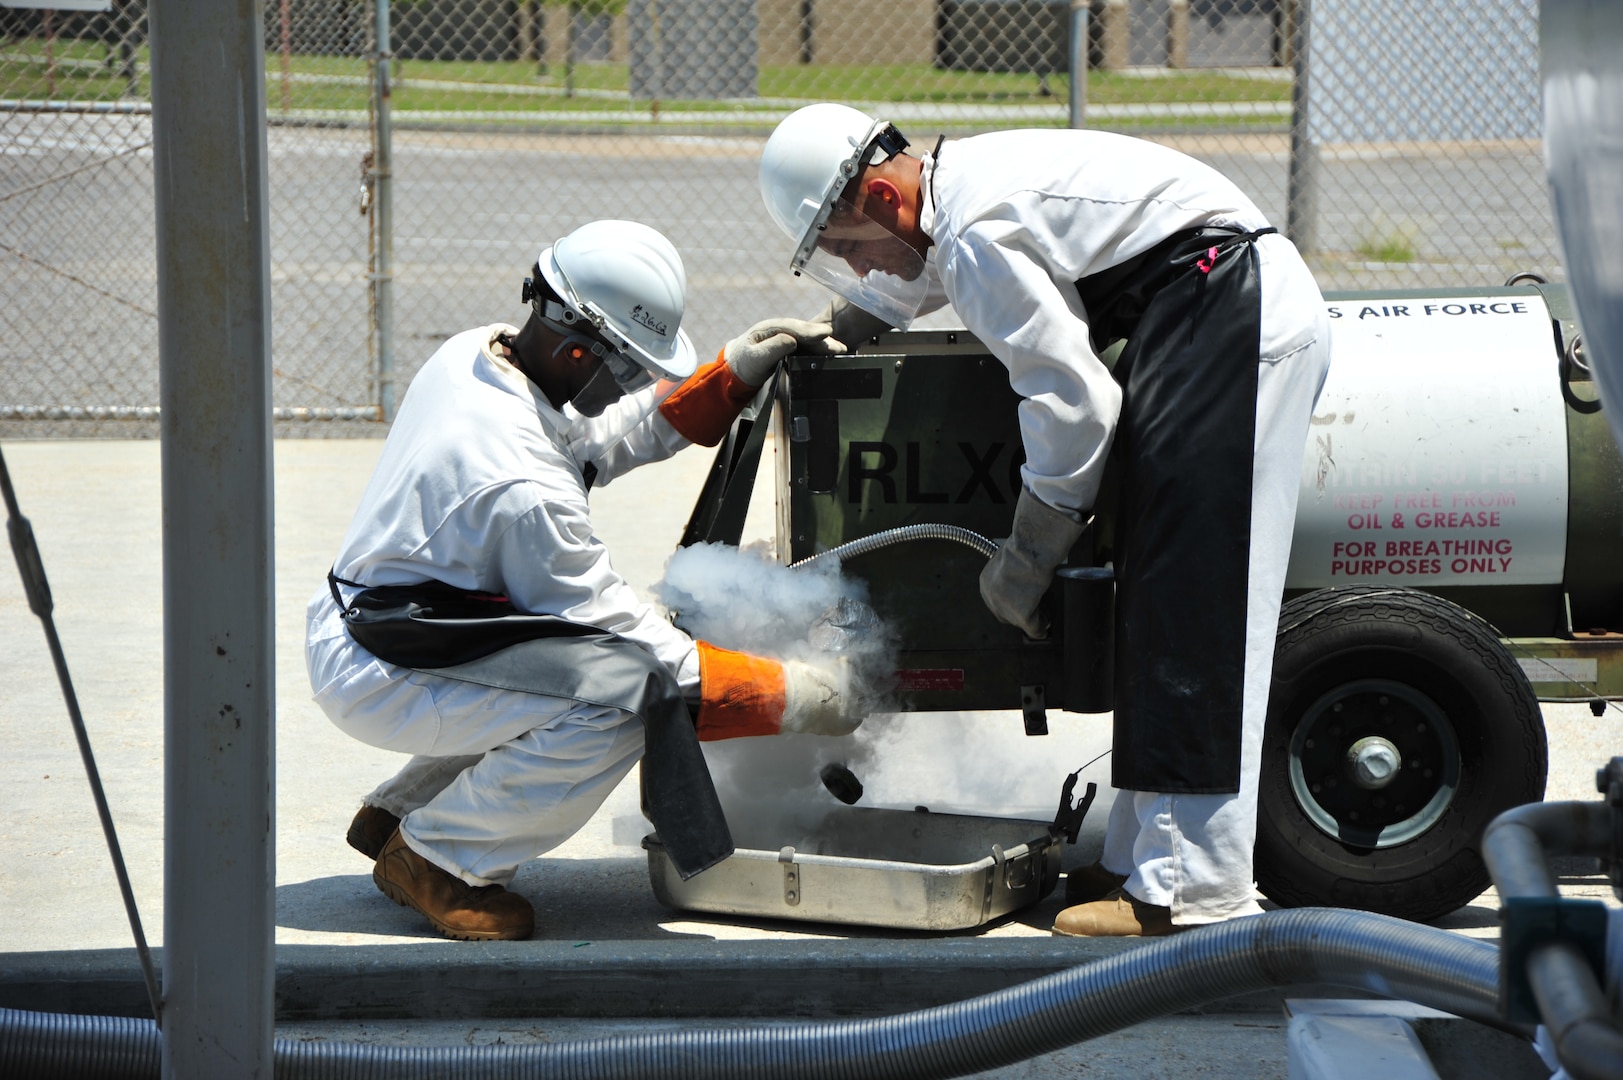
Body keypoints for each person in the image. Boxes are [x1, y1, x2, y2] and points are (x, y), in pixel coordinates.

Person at [757, 105, 1333, 937]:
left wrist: (1028, 551)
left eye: (846, 249)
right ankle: (1139, 862)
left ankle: (1195, 894)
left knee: (1198, 609)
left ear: (881, 196)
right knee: (1155, 603)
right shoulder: (955, 195)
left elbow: (1074, 403)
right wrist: (846, 323)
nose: (854, 266)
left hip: (1229, 310)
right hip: (1198, 306)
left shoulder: (973, 224)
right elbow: (919, 272)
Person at [306, 219, 860, 941]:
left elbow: (593, 437)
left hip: (400, 622)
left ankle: (402, 814)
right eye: (629, 366)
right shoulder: (522, 481)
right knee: (622, 695)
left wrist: (730, 373)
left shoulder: (480, 355)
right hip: (385, 667)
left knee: (564, 670)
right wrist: (798, 694)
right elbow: (623, 640)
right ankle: (440, 858)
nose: (637, 380)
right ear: (575, 349)